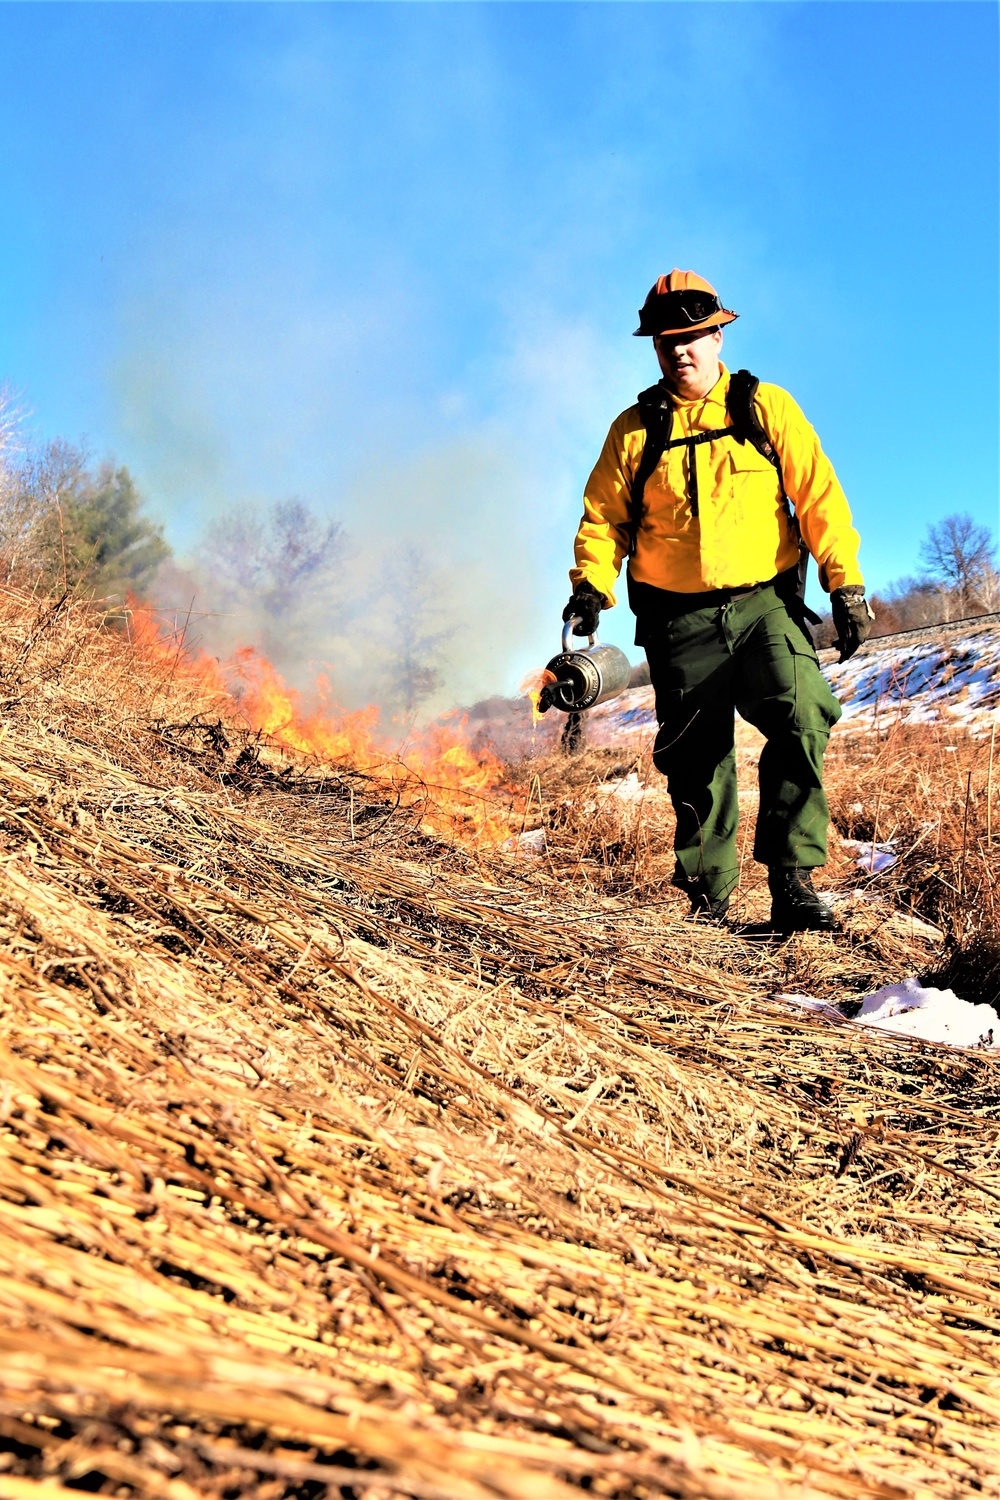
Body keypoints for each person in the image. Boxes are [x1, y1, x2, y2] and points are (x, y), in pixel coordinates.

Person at [563, 270, 873, 931]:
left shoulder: (766, 408)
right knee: (697, 761)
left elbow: (818, 496)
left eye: (693, 337)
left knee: (803, 712)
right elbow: (603, 519)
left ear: (718, 333)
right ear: (654, 347)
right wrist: (592, 585)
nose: (681, 351)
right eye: (666, 341)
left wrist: (844, 583)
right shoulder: (633, 431)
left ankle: (792, 882)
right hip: (679, 622)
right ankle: (710, 904)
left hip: (765, 605)